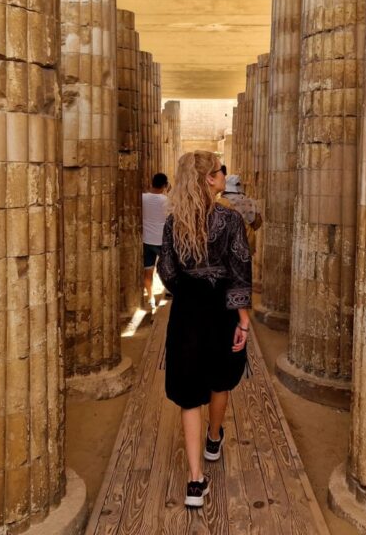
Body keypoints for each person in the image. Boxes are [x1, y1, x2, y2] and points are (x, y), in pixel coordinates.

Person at [157, 151, 252, 508]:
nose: (223, 174)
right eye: (218, 170)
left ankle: (195, 481)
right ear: (209, 180)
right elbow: (240, 269)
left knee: (188, 389)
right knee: (220, 376)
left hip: (187, 311)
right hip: (221, 309)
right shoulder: (230, 219)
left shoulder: (173, 222)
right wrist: (243, 319)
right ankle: (214, 439)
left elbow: (166, 270)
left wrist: (186, 292)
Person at [141, 172, 170, 308]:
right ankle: (169, 289)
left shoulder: (142, 198)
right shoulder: (166, 200)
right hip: (161, 240)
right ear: (164, 185)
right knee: (168, 267)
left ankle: (151, 299)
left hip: (146, 239)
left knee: (148, 270)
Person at [218, 174, 262, 252]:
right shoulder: (249, 202)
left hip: (226, 245)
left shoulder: (220, 203)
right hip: (246, 244)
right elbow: (257, 223)